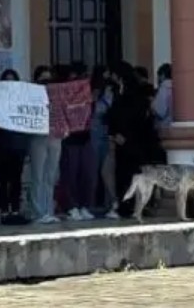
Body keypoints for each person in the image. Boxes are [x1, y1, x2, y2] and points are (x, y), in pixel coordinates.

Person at [108, 61, 158, 218]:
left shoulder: (130, 95)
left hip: (132, 140)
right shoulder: (126, 92)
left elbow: (127, 117)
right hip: (132, 140)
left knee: (128, 174)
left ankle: (128, 207)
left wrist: (120, 134)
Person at [0, 69, 29, 225]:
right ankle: (4, 211)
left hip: (18, 144)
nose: (10, 83)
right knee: (2, 179)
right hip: (2, 143)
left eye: (13, 80)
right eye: (7, 80)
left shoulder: (23, 100)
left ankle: (15, 210)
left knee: (16, 179)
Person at [61, 64, 95, 222]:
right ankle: (71, 207)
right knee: (70, 175)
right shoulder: (63, 94)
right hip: (70, 139)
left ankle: (85, 206)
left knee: (87, 174)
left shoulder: (88, 94)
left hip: (85, 138)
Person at [29, 65, 61, 224]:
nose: (47, 82)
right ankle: (37, 212)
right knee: (37, 176)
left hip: (55, 136)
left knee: (51, 175)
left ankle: (49, 210)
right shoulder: (30, 95)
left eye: (49, 79)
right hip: (37, 137)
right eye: (43, 79)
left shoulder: (58, 95)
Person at [88, 65, 118, 219]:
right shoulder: (92, 92)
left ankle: (110, 202)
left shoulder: (110, 92)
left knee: (106, 171)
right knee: (94, 170)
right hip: (95, 133)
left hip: (105, 133)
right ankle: (91, 202)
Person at [152, 63, 173, 129]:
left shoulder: (164, 88)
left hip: (164, 127)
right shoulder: (179, 87)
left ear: (162, 75)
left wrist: (151, 106)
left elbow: (160, 111)